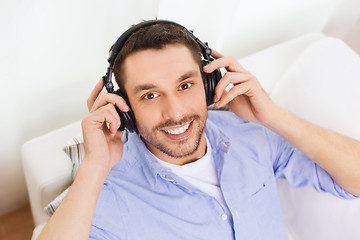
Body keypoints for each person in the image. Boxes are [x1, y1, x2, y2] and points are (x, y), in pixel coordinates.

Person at [38, 20, 360, 240]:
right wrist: (94, 166)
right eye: (150, 95)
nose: (175, 113)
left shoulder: (249, 133)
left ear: (209, 83)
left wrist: (273, 116)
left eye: (186, 85)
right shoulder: (108, 191)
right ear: (125, 107)